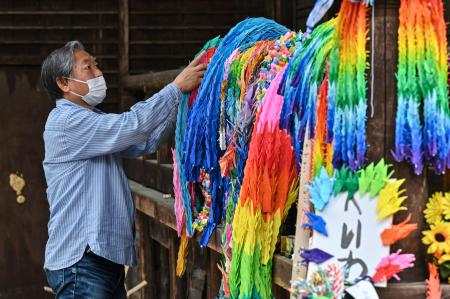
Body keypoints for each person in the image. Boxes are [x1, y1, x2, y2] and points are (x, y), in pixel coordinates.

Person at [40, 40, 207, 298]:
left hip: (100, 260)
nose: (98, 73)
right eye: (88, 67)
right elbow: (131, 126)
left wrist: (182, 101)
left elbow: (143, 141)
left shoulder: (93, 119)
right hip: (82, 263)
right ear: (64, 83)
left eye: (97, 65)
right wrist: (174, 89)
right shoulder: (66, 121)